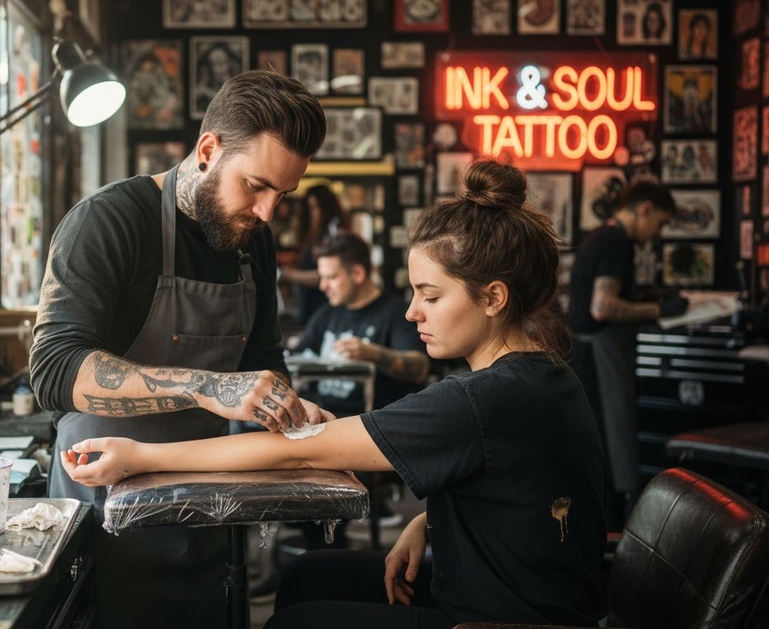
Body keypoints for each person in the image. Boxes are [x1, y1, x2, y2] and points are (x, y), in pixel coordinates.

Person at [62, 159, 608, 628]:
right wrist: (427, 522)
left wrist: (138, 456)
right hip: (505, 590)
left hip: (496, 621)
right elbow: (521, 495)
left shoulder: (480, 400)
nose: (412, 311)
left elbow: (297, 449)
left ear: (492, 297)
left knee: (296, 622)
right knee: (308, 573)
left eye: (430, 296)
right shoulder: (546, 377)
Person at [30, 70, 330, 629]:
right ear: (208, 149)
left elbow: (262, 360)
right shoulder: (109, 222)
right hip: (106, 499)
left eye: (282, 195)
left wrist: (289, 408)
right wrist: (209, 386)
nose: (268, 213)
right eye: (256, 186)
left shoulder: (251, 241)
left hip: (207, 500)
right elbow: (52, 370)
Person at [569, 181, 685, 526]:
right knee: (611, 451)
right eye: (660, 223)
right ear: (646, 208)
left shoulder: (598, 237)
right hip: (599, 358)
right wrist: (658, 309)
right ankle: (610, 540)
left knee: (602, 448)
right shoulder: (616, 241)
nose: (656, 234)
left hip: (588, 357)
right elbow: (603, 307)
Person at [298, 232, 429, 415]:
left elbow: (420, 368)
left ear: (358, 274)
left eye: (332, 278)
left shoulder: (397, 313)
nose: (323, 286)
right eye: (322, 278)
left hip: (370, 422)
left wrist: (373, 353)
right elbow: (298, 357)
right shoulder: (327, 313)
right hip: (322, 418)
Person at [280, 185, 349, 324]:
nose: (313, 214)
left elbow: (324, 276)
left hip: (325, 310)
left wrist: (289, 274)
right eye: (310, 208)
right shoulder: (310, 237)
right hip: (307, 309)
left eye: (316, 207)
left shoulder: (331, 235)